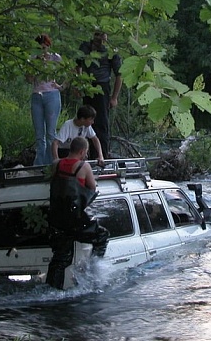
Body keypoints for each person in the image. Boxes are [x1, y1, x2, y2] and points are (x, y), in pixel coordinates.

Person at [45, 137, 109, 289]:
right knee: (102, 236)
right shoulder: (84, 166)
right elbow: (92, 188)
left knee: (61, 258)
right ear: (82, 151)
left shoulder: (56, 164)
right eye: (86, 152)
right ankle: (92, 269)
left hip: (57, 220)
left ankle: (51, 289)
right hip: (76, 219)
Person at [77, 30, 122, 159]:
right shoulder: (85, 47)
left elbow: (119, 74)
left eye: (103, 36)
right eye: (97, 35)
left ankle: (102, 157)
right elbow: (77, 65)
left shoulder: (111, 51)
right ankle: (87, 154)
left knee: (101, 123)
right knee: (86, 120)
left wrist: (114, 97)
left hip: (102, 88)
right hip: (87, 85)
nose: (100, 39)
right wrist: (79, 83)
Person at [28, 33, 63, 166]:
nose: (42, 51)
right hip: (37, 95)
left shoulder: (55, 58)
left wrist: (61, 86)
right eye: (39, 48)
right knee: (39, 134)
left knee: (50, 133)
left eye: (44, 48)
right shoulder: (32, 59)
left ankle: (51, 164)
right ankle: (39, 165)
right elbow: (29, 79)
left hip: (52, 95)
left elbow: (70, 71)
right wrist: (35, 65)